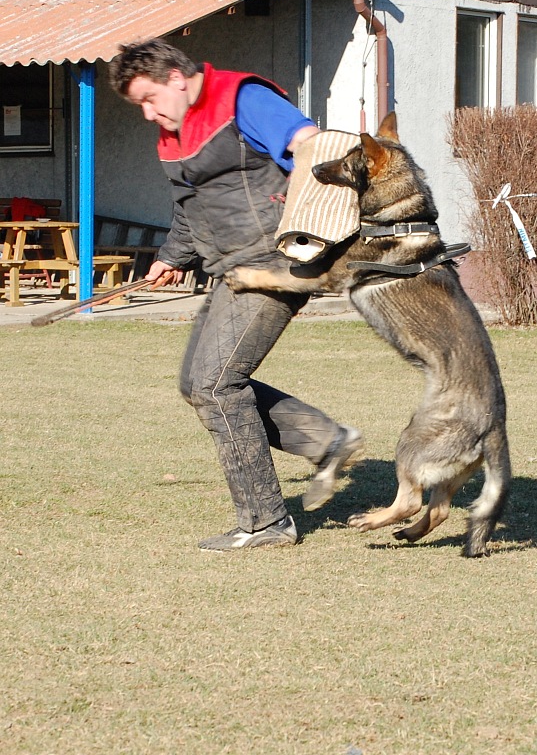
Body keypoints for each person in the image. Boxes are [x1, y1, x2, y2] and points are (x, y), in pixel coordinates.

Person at [109, 38, 363, 551]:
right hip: (231, 269)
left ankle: (266, 522)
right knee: (196, 383)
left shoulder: (241, 99)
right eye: (140, 105)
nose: (148, 113)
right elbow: (189, 203)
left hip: (275, 263)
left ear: (176, 78)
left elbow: (316, 149)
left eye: (149, 98)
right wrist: (172, 257)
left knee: (217, 386)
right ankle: (325, 441)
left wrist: (317, 230)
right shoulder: (174, 131)